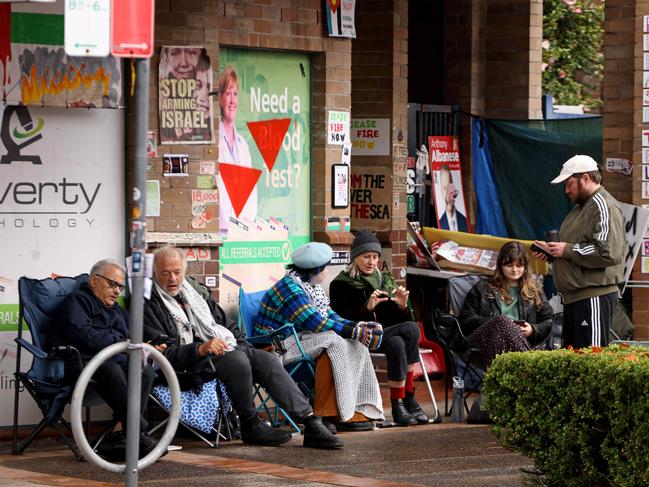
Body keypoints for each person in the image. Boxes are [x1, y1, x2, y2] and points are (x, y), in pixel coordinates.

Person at [143, 246, 342, 450]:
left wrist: (238, 341)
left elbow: (224, 322)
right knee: (237, 360)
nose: (172, 279)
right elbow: (163, 351)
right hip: (188, 363)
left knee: (266, 360)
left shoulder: (194, 293)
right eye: (165, 273)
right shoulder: (147, 303)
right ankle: (250, 423)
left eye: (177, 272)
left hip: (220, 350)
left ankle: (310, 423)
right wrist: (200, 349)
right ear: (154, 274)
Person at [255, 242, 385, 429]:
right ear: (317, 269)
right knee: (333, 343)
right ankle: (326, 414)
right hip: (275, 346)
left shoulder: (311, 286)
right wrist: (354, 331)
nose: (328, 272)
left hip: (300, 339)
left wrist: (358, 326)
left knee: (356, 344)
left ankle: (358, 410)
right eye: (327, 267)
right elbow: (314, 323)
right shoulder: (289, 289)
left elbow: (330, 316)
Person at [54, 259, 158, 460]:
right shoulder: (77, 301)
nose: (117, 291)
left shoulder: (116, 310)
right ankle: (138, 432)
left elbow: (133, 334)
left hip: (113, 361)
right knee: (112, 369)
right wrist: (122, 342)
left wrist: (151, 341)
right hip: (83, 363)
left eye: (120, 286)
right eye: (112, 284)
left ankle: (125, 436)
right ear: (94, 281)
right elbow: (83, 334)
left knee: (145, 370)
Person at [329, 231, 428, 426]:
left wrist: (401, 306)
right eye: (366, 257)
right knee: (409, 329)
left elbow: (395, 321)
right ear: (355, 257)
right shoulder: (340, 285)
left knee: (399, 342)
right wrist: (367, 308)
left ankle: (398, 403)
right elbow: (344, 322)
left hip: (385, 337)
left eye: (375, 257)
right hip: (359, 338)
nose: (371, 262)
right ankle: (409, 395)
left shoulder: (384, 280)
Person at [532, 155, 625, 348]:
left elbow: (608, 251)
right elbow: (578, 251)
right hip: (577, 296)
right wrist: (553, 254)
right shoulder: (581, 208)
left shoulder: (603, 205)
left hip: (593, 296)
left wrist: (566, 249)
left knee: (592, 359)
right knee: (575, 362)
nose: (566, 190)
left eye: (569, 183)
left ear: (585, 178)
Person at [459, 241, 554, 368]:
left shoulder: (534, 291)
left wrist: (533, 329)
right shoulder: (482, 288)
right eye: (509, 265)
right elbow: (465, 320)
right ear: (500, 265)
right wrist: (495, 324)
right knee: (502, 322)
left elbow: (549, 320)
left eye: (519, 265)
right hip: (484, 343)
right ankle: (529, 368)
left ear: (525, 267)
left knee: (505, 325)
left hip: (521, 344)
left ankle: (519, 371)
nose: (515, 270)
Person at [217, 65, 257, 235]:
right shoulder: (214, 143)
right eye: (228, 93)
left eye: (235, 94)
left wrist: (248, 223)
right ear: (220, 99)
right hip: (221, 230)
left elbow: (251, 191)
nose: (232, 100)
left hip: (242, 230)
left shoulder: (243, 145)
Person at [438, 165, 469, 232]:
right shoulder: (439, 224)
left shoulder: (464, 221)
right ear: (441, 192)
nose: (448, 192)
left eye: (450, 186)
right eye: (444, 188)